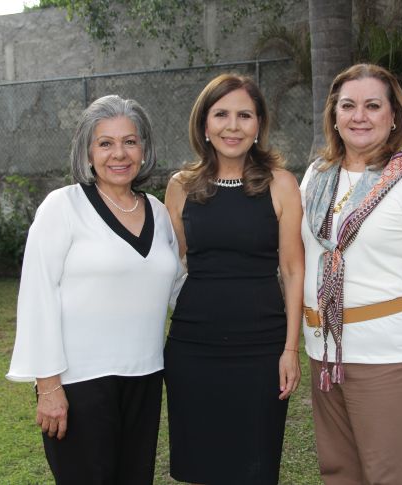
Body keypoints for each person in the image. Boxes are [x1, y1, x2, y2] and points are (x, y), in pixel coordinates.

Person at [300, 63, 402, 484]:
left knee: (387, 474)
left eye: (373, 106)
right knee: (339, 471)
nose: (359, 116)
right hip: (325, 353)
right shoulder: (317, 177)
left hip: (387, 357)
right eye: (348, 106)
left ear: (394, 117)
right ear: (334, 115)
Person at [6, 94, 183, 484]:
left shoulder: (157, 212)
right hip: (79, 384)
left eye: (129, 141)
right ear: (88, 152)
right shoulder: (62, 207)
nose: (119, 153)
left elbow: (178, 288)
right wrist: (48, 386)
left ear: (144, 149)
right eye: (105, 143)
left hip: (146, 376)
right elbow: (37, 296)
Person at [163, 73, 304, 484]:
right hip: (193, 347)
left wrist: (290, 349)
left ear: (258, 124)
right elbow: (169, 266)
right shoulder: (181, 186)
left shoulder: (281, 184)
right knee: (201, 467)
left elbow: (293, 270)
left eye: (245, 115)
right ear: (204, 124)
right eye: (221, 114)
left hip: (261, 349)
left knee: (254, 466)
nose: (233, 126)